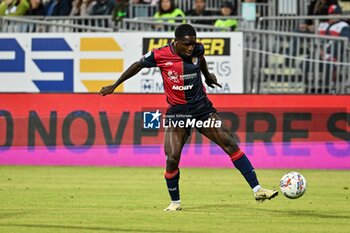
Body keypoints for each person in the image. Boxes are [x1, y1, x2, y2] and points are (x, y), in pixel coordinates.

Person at [99, 24, 278, 211]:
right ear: (176, 42)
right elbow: (137, 65)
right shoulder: (160, 55)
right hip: (178, 113)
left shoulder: (198, 49)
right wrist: (114, 85)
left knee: (229, 143)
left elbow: (200, 60)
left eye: (193, 43)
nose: (191, 47)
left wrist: (207, 77)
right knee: (172, 157)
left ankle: (257, 189)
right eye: (186, 44)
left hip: (202, 110)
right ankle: (175, 202)